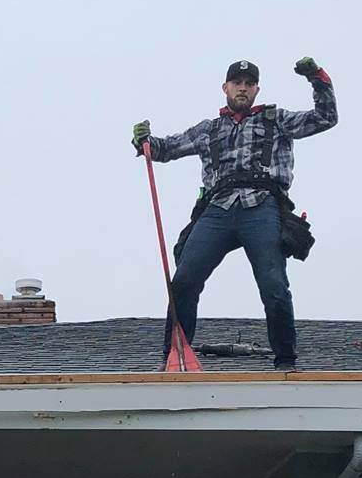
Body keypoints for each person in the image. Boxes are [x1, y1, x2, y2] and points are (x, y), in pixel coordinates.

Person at [131, 56, 337, 371]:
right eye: (237, 83)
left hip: (262, 204)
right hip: (217, 208)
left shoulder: (276, 120)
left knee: (273, 284)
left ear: (256, 89)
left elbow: (325, 118)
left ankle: (285, 361)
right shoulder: (208, 130)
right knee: (184, 281)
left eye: (249, 84)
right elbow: (166, 149)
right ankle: (176, 358)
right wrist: (145, 141)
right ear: (225, 87)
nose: (242, 88)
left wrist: (317, 78)